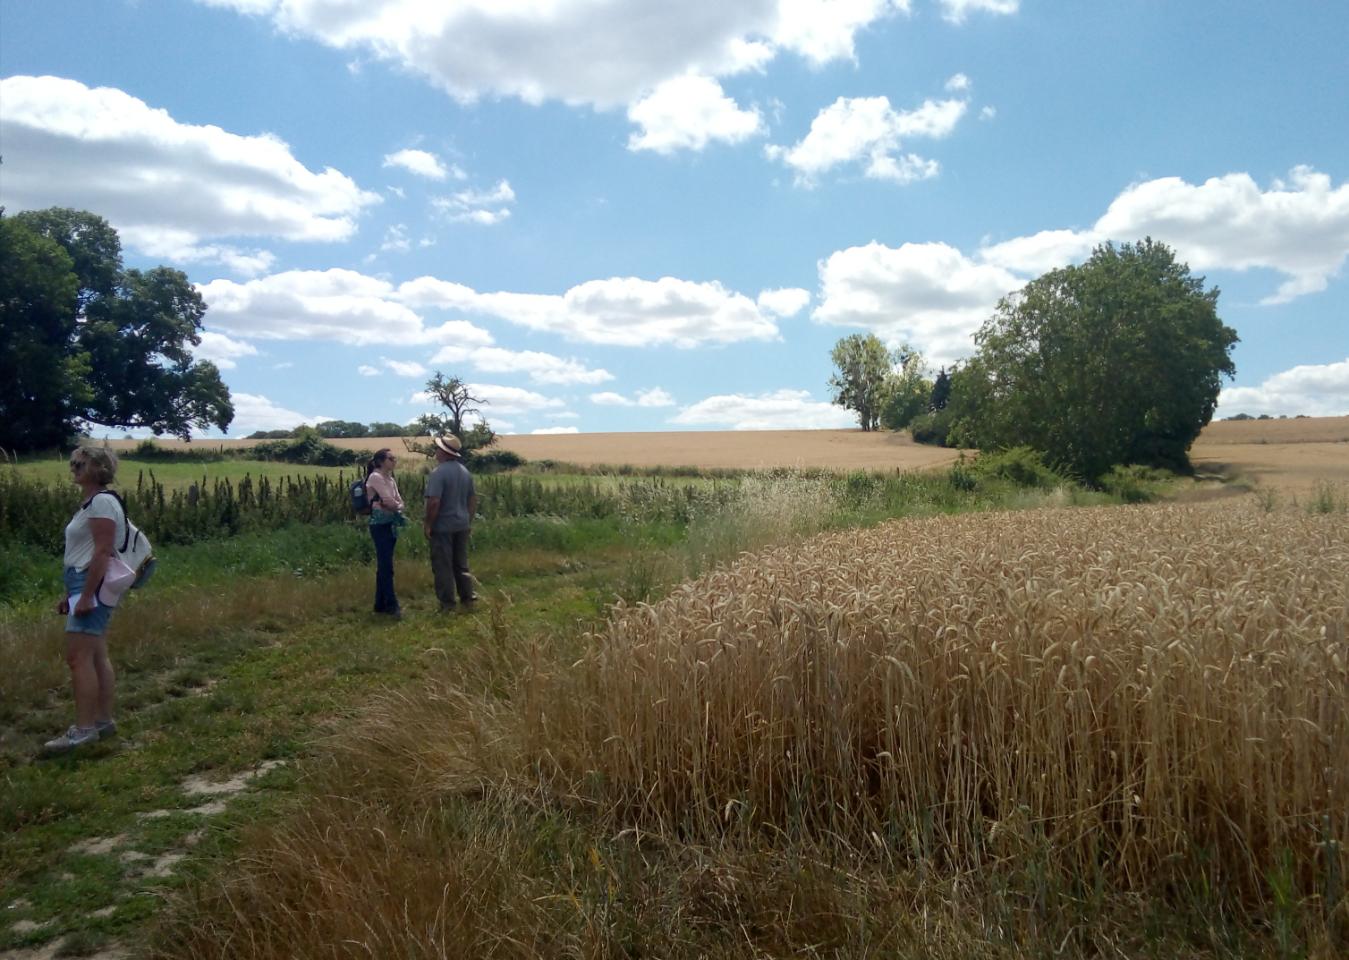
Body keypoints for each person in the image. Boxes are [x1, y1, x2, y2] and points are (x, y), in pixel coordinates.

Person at [46, 445, 123, 754]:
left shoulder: (102, 502)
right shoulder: (91, 503)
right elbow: (84, 551)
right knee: (95, 655)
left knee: (78, 659)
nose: (74, 466)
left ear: (99, 468)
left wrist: (87, 595)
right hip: (83, 581)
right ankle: (102, 722)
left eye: (82, 462)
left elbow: (102, 551)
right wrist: (71, 593)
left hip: (92, 583)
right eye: (73, 462)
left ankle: (84, 730)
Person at [424, 434, 479, 612]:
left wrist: (428, 524)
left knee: (443, 565)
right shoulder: (465, 472)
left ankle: (447, 603)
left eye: (438, 449)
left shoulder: (438, 473)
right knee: (461, 563)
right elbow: (472, 499)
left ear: (444, 452)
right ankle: (467, 597)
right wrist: (468, 520)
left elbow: (434, 502)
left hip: (443, 526)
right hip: (462, 524)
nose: (436, 452)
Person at [363, 448, 406, 619]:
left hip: (390, 523)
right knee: (386, 566)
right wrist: (394, 505)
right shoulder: (376, 477)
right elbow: (389, 501)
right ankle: (391, 604)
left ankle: (380, 604)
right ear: (380, 461)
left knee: (385, 565)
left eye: (394, 458)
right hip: (379, 525)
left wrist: (395, 505)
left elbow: (399, 502)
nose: (394, 461)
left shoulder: (390, 479)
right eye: (391, 458)